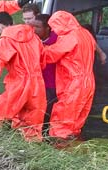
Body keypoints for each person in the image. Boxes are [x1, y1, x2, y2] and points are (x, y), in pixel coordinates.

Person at [0, 13, 46, 141]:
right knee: (32, 123)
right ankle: (32, 148)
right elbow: (42, 61)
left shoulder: (6, 41)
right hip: (38, 85)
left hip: (18, 84)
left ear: (0, 26)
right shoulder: (34, 37)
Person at [41, 11, 97, 141]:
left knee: (62, 122)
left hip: (74, 83)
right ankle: (75, 149)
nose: (53, 30)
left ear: (61, 24)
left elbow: (50, 55)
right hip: (89, 81)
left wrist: (37, 48)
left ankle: (60, 152)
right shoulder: (85, 33)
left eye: (54, 27)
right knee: (76, 122)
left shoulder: (70, 37)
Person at [33, 14, 58, 136]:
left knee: (47, 113)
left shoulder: (57, 41)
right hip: (39, 83)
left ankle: (45, 136)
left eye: (38, 27)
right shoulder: (34, 39)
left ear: (47, 28)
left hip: (52, 84)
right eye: (33, 26)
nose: (34, 29)